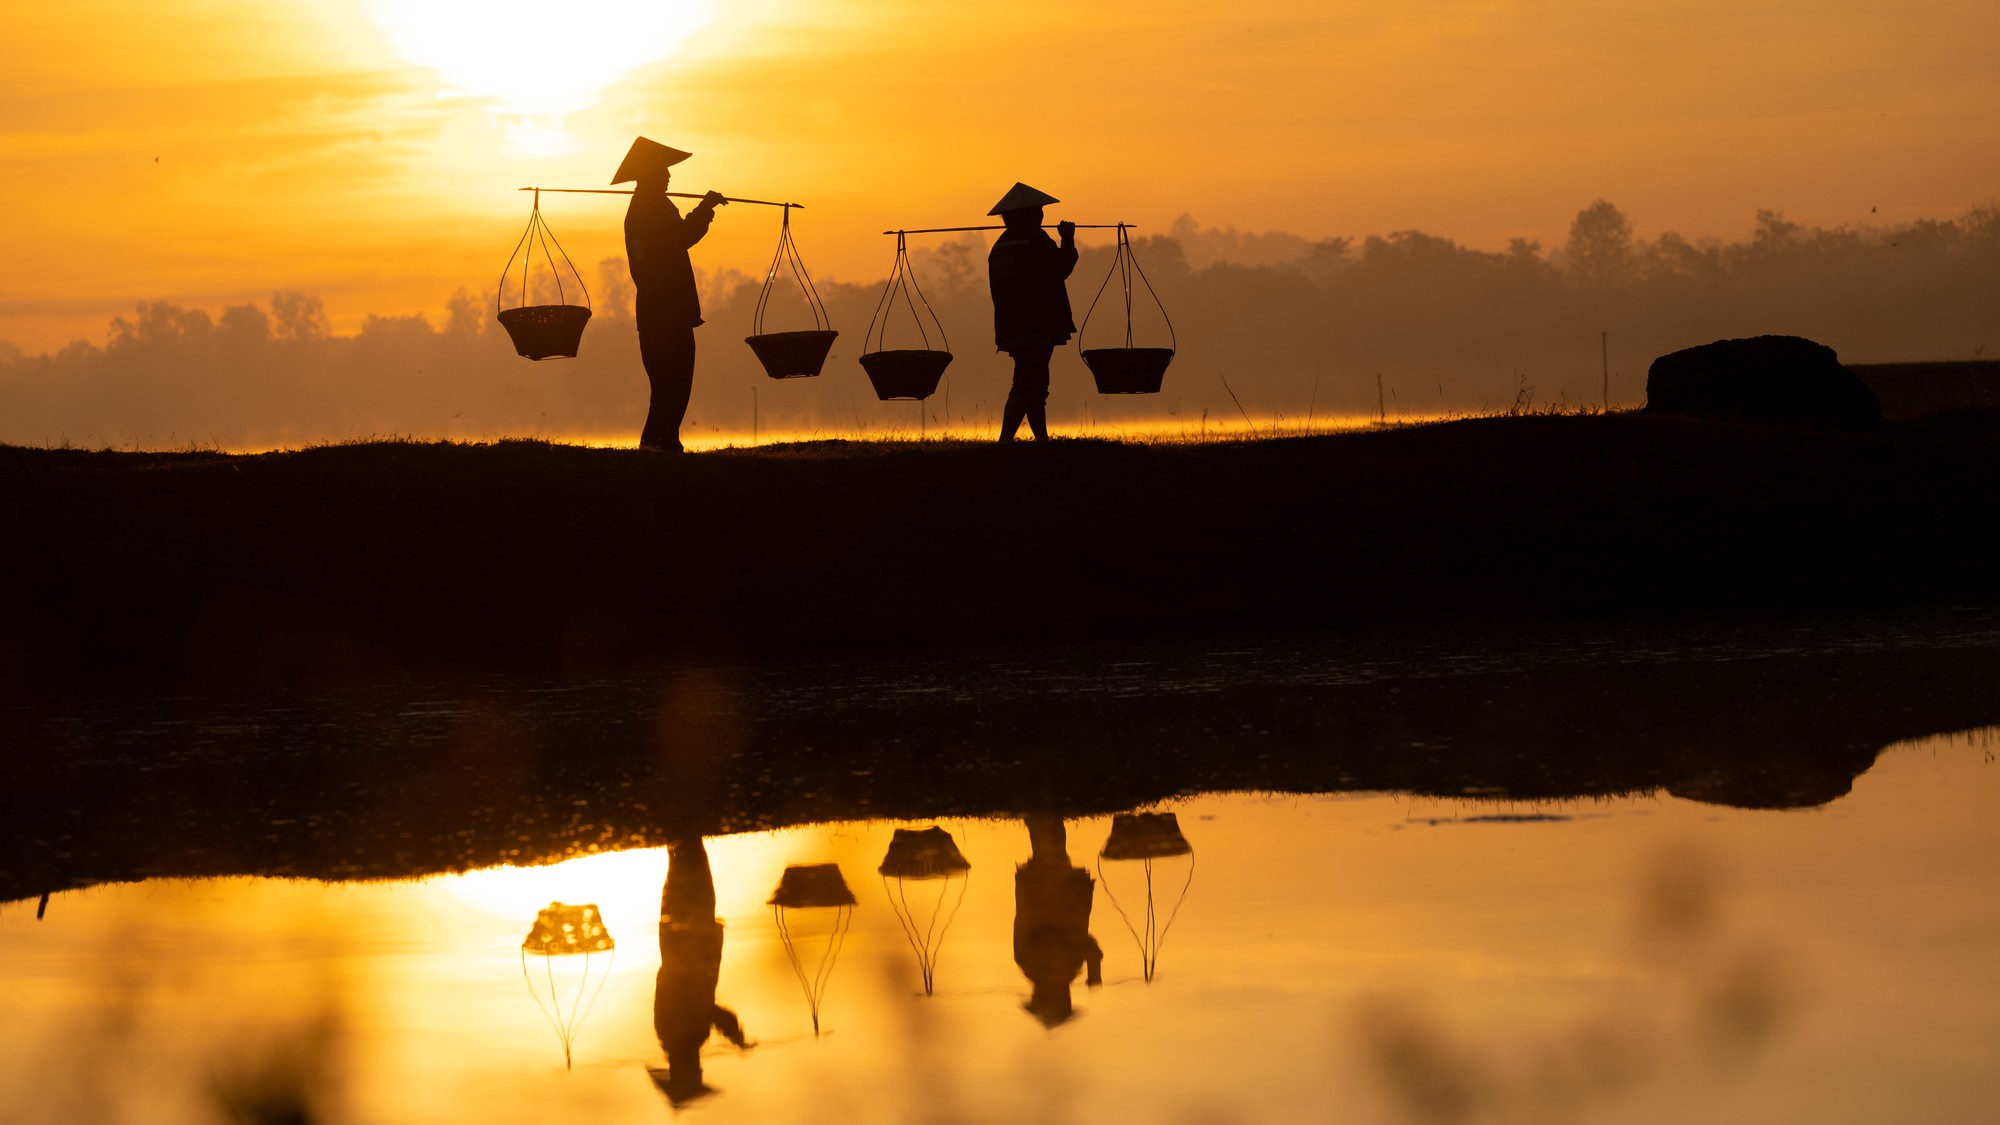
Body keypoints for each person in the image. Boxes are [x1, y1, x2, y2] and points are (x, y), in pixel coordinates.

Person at [616, 137, 728, 451]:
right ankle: (658, 445)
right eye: (661, 171)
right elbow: (680, 237)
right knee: (672, 384)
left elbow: (676, 237)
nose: (668, 176)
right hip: (666, 312)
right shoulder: (650, 208)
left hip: (658, 312)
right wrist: (705, 208)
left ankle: (662, 443)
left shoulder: (646, 206)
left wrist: (704, 209)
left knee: (669, 386)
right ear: (647, 174)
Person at [986, 182, 1078, 441]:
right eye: (1038, 212)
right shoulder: (1036, 239)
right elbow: (1062, 268)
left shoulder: (1000, 247)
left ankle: (1042, 439)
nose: (1041, 216)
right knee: (1028, 382)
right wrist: (1067, 240)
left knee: (1035, 381)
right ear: (1030, 215)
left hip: (1011, 324)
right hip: (1037, 324)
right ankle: (1005, 440)